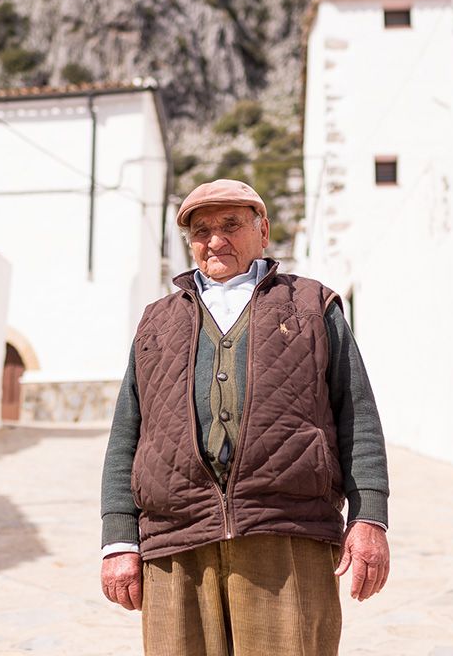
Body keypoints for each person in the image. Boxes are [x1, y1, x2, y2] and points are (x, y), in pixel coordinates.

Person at [99, 178, 390, 656]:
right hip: (176, 539)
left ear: (264, 231)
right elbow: (127, 433)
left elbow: (357, 414)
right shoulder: (156, 320)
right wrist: (118, 540)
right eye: (200, 231)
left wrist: (369, 518)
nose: (215, 240)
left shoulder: (313, 305)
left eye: (230, 224)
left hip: (287, 532)